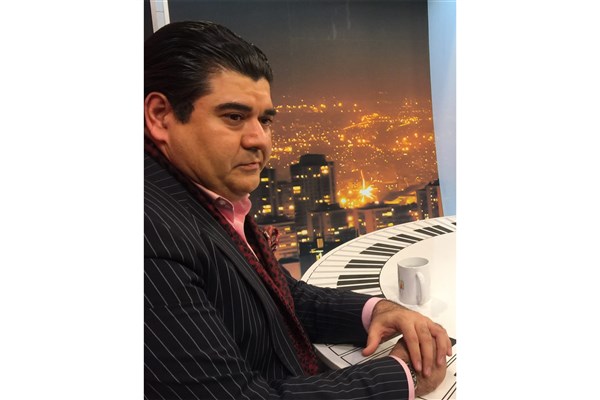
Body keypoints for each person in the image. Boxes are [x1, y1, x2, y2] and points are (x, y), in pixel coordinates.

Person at [144, 20, 452, 400]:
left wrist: (376, 311)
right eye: (234, 117)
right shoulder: (151, 234)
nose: (259, 139)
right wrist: (403, 375)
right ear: (160, 116)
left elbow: (278, 297)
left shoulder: (201, 198)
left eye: (265, 120)